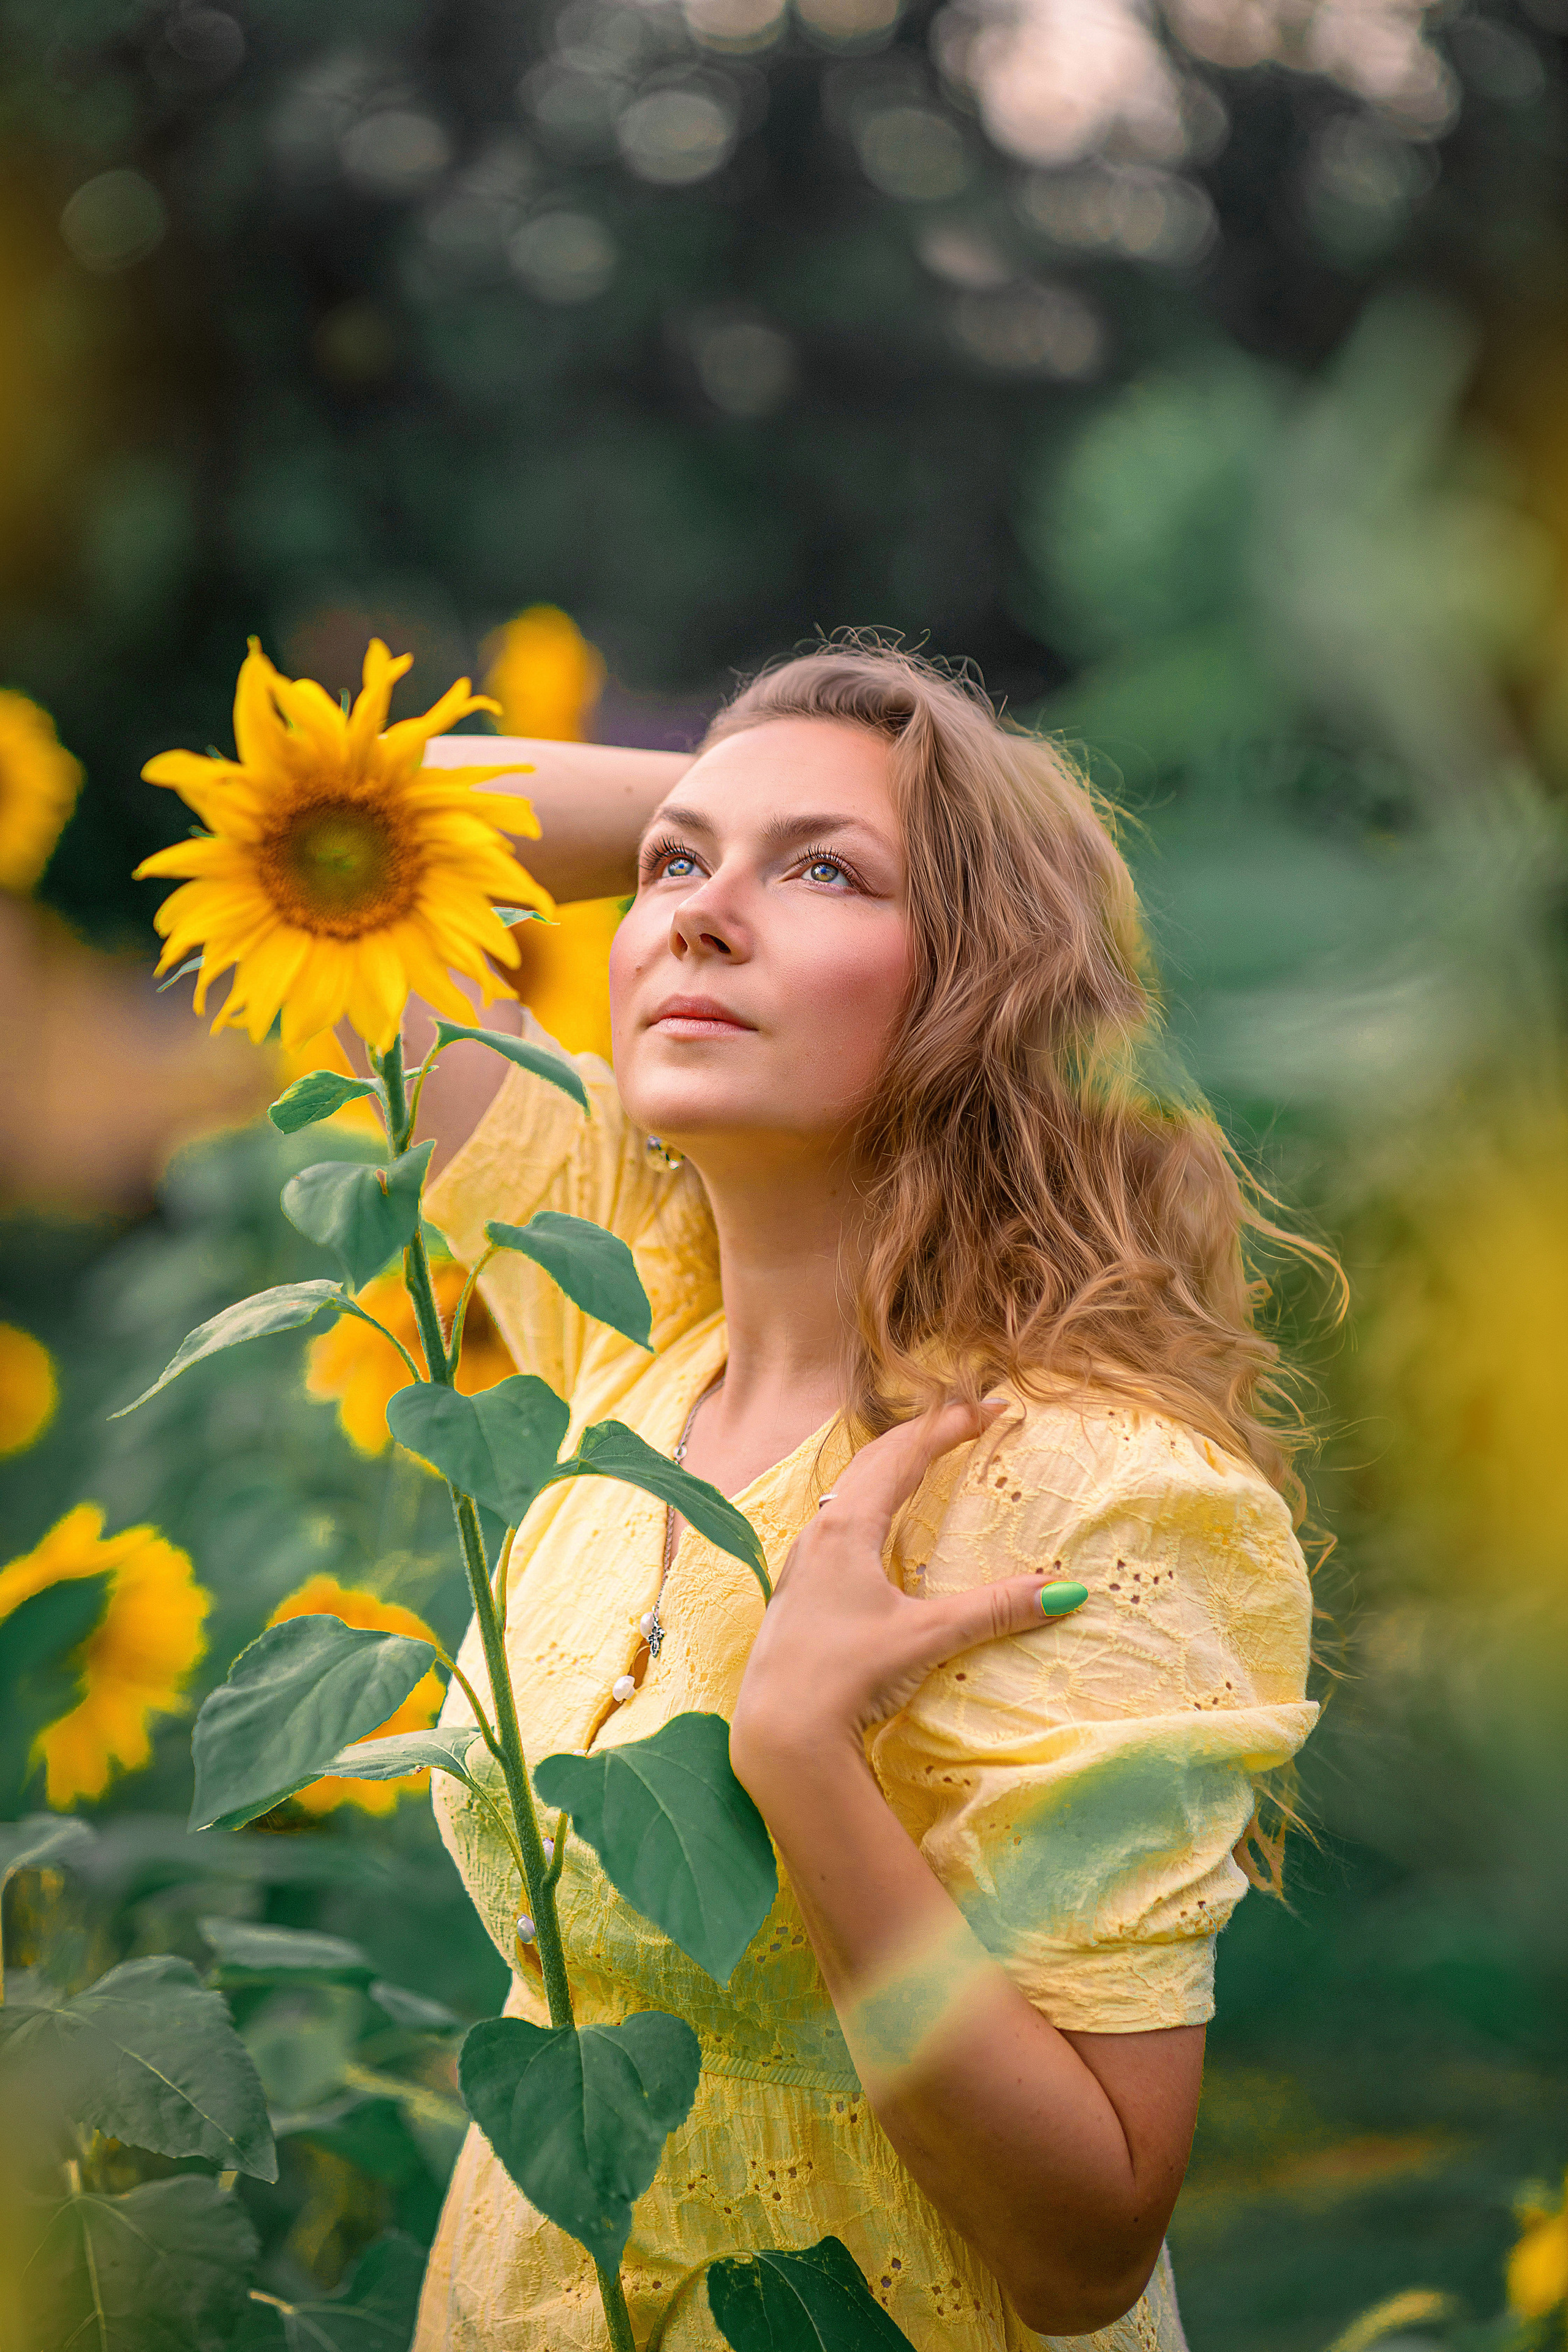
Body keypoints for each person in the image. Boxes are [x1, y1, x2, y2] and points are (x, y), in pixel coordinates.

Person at [405, 644, 1321, 2351]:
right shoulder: (630, 1320)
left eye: (826, 873)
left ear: (986, 983)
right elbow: (362, 829)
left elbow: (1084, 2245)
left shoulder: (1093, 1493)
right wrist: (745, 786)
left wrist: (806, 1762)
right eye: (673, 868)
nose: (696, 913)